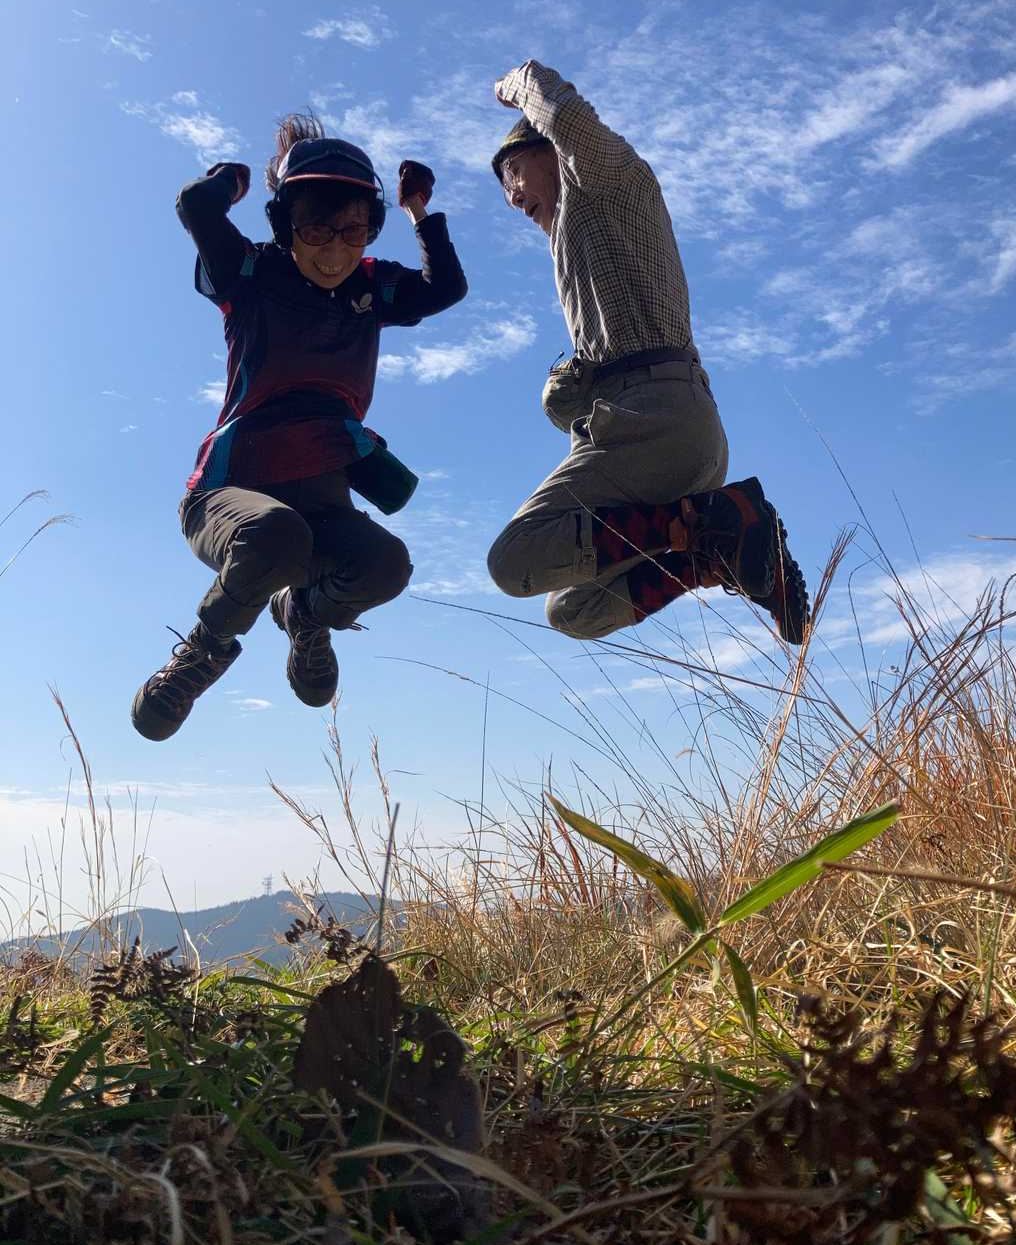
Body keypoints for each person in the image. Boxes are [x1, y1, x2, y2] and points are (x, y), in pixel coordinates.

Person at [132, 116, 467, 741]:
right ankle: (204, 651)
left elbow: (445, 286)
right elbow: (196, 207)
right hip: (229, 495)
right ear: (285, 224)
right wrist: (231, 180)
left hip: (322, 503)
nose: (336, 250)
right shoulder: (251, 276)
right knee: (276, 535)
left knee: (386, 564)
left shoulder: (371, 288)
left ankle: (305, 616)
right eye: (316, 228)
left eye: (353, 231)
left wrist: (419, 210)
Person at [485, 61, 808, 646]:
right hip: (665, 430)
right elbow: (598, 377)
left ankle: (716, 525)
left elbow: (567, 118)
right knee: (573, 610)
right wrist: (566, 391)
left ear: (548, 150)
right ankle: (709, 549)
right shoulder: (581, 245)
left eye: (512, 170)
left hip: (657, 417)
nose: (510, 196)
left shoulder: (606, 182)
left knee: (514, 558)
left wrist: (516, 84)